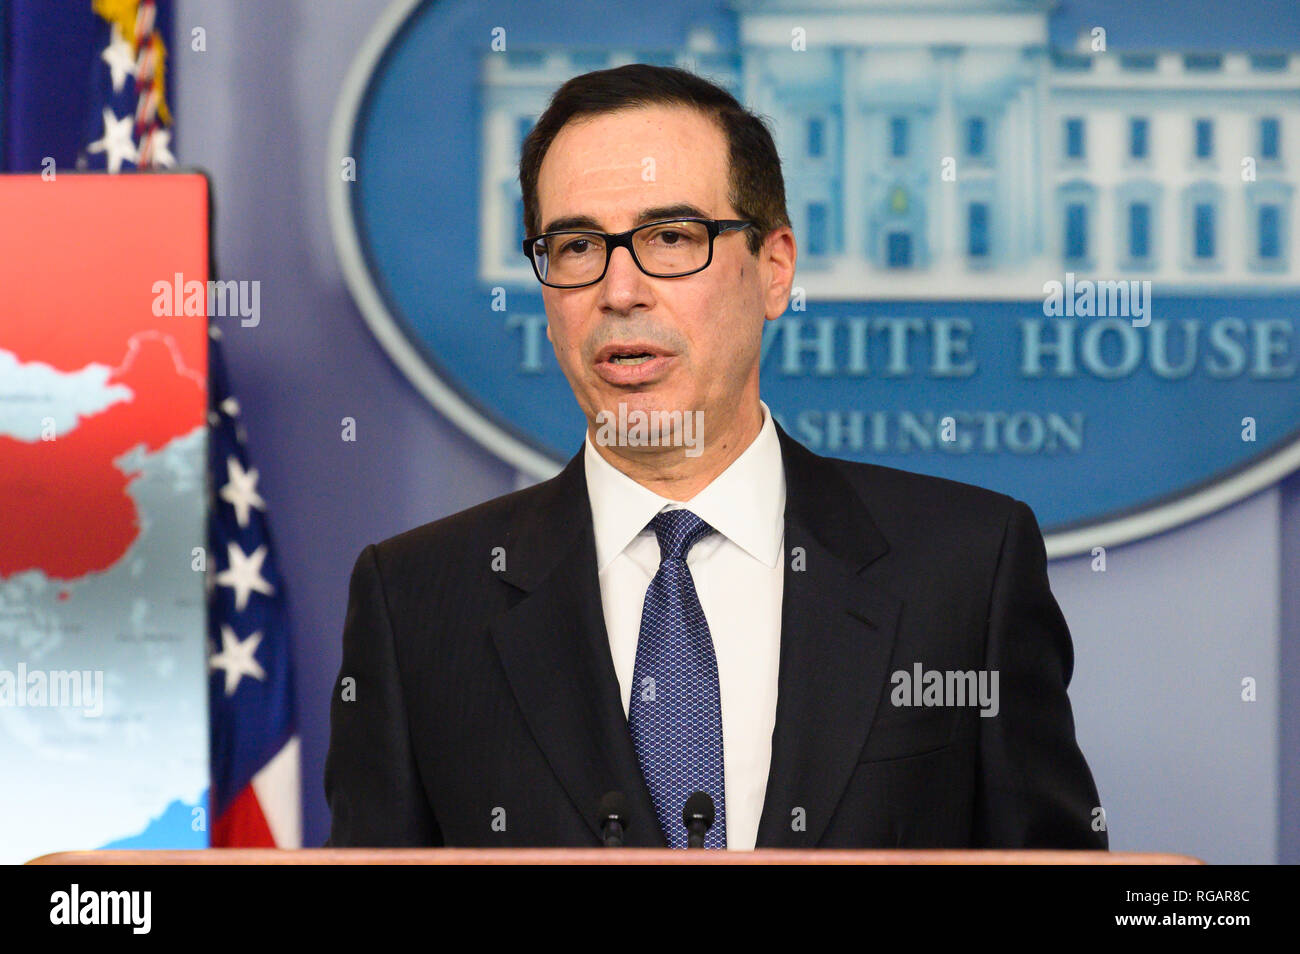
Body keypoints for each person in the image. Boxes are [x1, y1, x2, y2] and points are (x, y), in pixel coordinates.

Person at [324, 63, 1107, 851]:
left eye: (670, 238)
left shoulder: (965, 568)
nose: (619, 289)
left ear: (774, 268)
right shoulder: (419, 602)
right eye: (575, 245)